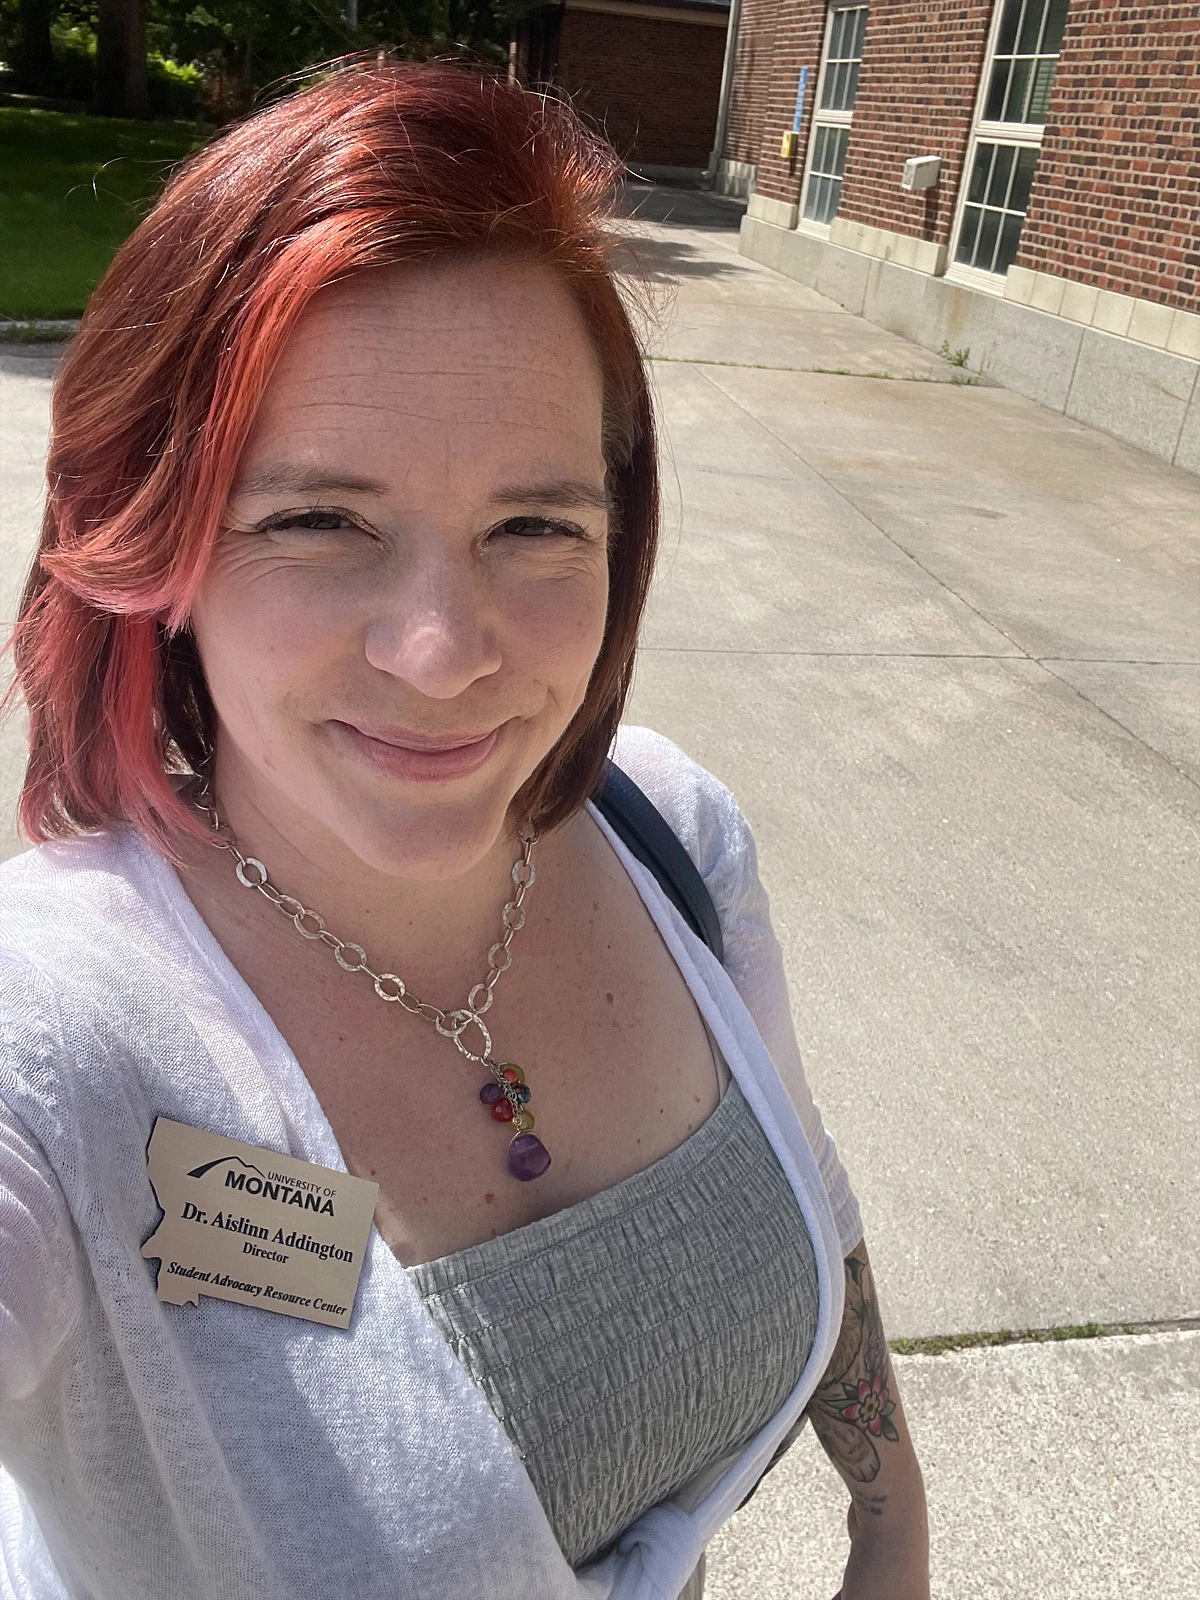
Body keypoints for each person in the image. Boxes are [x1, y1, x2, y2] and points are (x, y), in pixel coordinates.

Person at [0, 61, 929, 1600]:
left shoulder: (672, 835)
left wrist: (889, 1524)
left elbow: (809, 1188)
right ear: (152, 544)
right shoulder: (54, 1031)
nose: (443, 654)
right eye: (319, 520)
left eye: (533, 526)